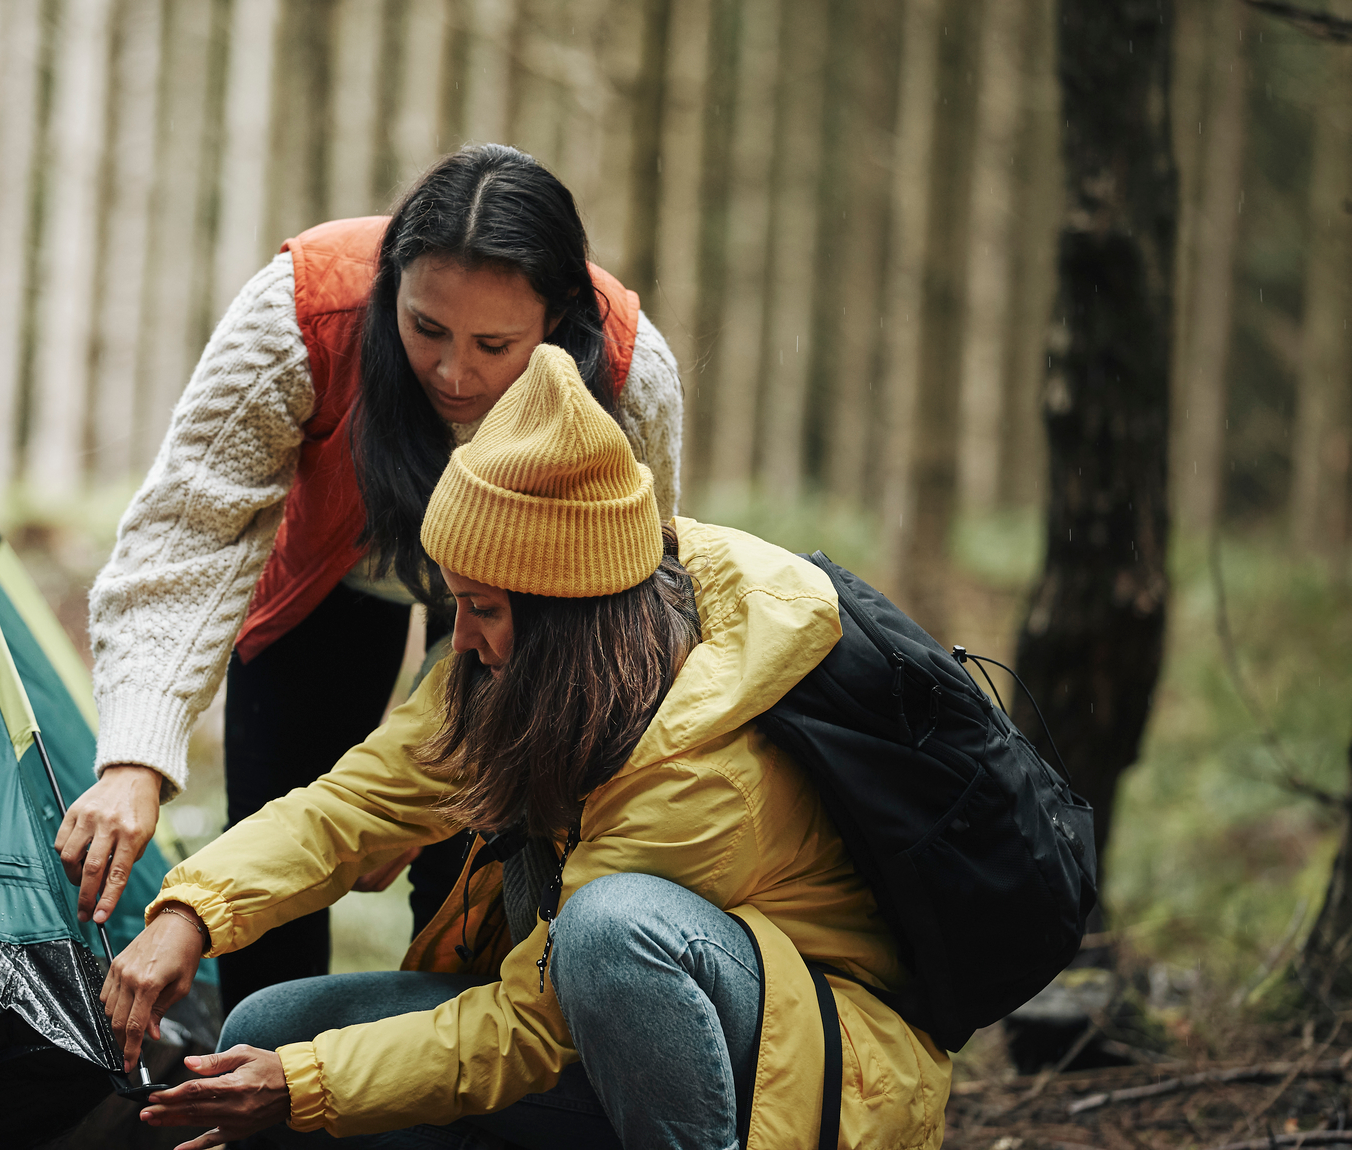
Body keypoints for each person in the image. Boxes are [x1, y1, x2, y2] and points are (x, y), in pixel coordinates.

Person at [100, 346, 952, 1150]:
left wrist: (307, 1084)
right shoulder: (512, 672)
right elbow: (353, 805)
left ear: (565, 614)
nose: (458, 635)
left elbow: (531, 1025)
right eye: (456, 599)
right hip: (584, 1025)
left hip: (798, 1080)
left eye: (484, 606)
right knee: (266, 1030)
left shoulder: (704, 769)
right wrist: (192, 911)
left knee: (607, 931)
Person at [54, 145, 683, 1013]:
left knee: (470, 865)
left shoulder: (627, 369)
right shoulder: (302, 312)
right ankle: (259, 1084)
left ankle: (439, 1094)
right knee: (278, 817)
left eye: (493, 344)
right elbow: (186, 531)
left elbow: (633, 578)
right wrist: (134, 757)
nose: (454, 374)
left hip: (521, 609)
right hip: (335, 574)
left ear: (557, 318)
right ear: (390, 285)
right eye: (425, 328)